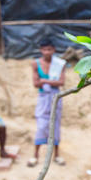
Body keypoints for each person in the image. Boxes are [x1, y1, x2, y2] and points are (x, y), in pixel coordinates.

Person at [30, 38, 66, 167]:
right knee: (41, 126)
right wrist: (51, 81)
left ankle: (56, 155)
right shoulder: (36, 64)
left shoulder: (59, 64)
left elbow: (61, 82)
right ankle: (35, 155)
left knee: (55, 126)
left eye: (49, 49)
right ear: (41, 50)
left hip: (55, 98)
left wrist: (44, 81)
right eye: (44, 49)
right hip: (43, 99)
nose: (47, 52)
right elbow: (35, 83)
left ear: (53, 50)